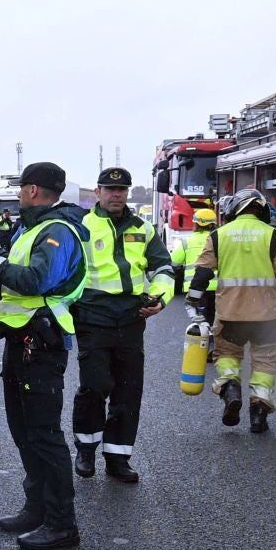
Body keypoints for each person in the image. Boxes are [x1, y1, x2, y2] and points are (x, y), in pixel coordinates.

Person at [0, 162, 89, 550]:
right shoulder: (33, 228)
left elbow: (36, 280)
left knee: (43, 434)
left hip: (41, 344)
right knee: (23, 429)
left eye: (21, 187)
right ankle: (37, 506)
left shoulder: (57, 230)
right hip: (21, 340)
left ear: (32, 190)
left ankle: (62, 523)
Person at [70, 167, 174, 484]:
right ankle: (86, 449)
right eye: (109, 189)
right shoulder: (82, 226)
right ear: (98, 192)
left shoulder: (143, 228)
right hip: (93, 315)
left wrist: (160, 298)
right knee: (95, 385)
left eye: (122, 190)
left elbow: (164, 267)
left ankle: (118, 458)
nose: (116, 195)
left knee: (128, 391)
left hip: (131, 317)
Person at [186, 188, 276, 434]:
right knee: (265, 363)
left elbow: (202, 273)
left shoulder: (219, 235)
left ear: (234, 209)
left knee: (227, 354)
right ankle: (258, 412)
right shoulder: (275, 237)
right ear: (262, 211)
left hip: (230, 315)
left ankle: (230, 388)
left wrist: (193, 300)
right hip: (266, 316)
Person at [166, 207, 216, 295]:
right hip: (217, 287)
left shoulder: (186, 242)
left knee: (194, 308)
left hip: (193, 287)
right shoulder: (219, 240)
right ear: (213, 224)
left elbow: (173, 263)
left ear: (195, 224)